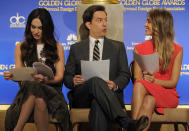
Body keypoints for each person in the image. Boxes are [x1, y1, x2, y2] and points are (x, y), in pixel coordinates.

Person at [64, 5, 148, 131]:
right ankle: (125, 121)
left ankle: (126, 122)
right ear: (88, 24)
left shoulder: (118, 47)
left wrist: (115, 84)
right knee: (96, 80)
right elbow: (67, 77)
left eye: (105, 20)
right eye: (99, 20)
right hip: (83, 96)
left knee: (98, 103)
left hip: (109, 95)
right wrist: (73, 80)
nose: (104, 24)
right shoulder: (76, 48)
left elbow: (125, 74)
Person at [3, 8, 71, 131]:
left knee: (38, 90)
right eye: (33, 27)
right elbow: (21, 75)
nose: (36, 31)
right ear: (29, 26)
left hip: (52, 93)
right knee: (37, 95)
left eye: (40, 28)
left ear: (47, 28)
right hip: (28, 93)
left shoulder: (57, 47)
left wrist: (45, 80)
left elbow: (59, 76)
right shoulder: (21, 47)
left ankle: (17, 128)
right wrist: (12, 76)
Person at [131, 8, 183, 131]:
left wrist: (154, 81)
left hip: (168, 94)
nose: (145, 24)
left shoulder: (177, 49)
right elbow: (137, 78)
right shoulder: (139, 48)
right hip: (147, 92)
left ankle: (131, 126)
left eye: (149, 21)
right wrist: (147, 81)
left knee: (139, 85)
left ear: (159, 25)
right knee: (148, 100)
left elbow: (173, 83)